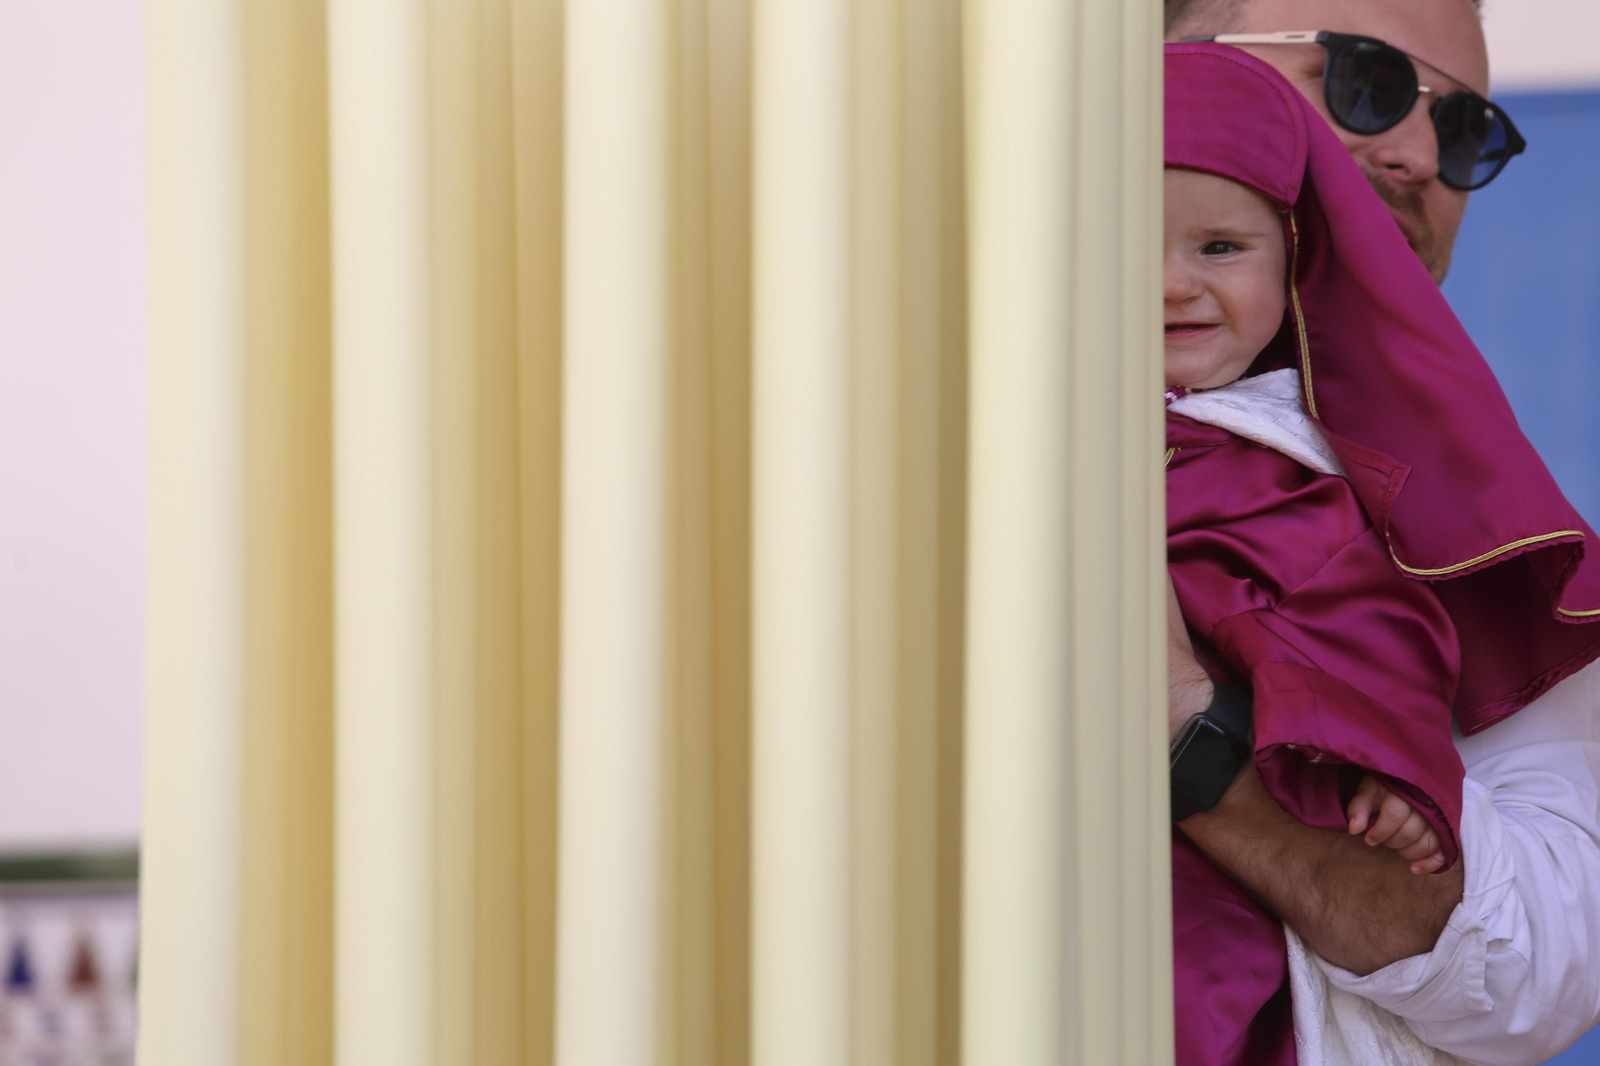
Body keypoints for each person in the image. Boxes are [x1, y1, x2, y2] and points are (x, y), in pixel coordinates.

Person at [1164, 2, 1600, 1064]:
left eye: (1466, 129)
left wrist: (1193, 738)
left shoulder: (1491, 527)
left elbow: (1541, 980)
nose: (1417, 154)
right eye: (1365, 79)